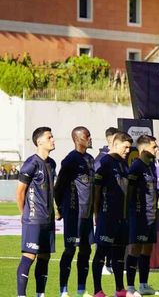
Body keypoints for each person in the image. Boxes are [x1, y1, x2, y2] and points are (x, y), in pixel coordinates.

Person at [54, 126, 95, 297]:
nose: (90, 138)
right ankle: (63, 290)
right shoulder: (70, 160)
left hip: (87, 214)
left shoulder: (90, 159)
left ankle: (81, 289)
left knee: (86, 250)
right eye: (87, 135)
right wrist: (60, 209)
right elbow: (58, 187)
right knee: (70, 250)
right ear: (78, 139)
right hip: (74, 214)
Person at [16, 127, 57, 297]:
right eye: (49, 137)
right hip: (33, 219)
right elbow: (20, 192)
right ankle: (21, 295)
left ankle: (40, 294)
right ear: (39, 141)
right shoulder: (31, 163)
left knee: (45, 257)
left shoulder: (52, 163)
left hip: (48, 219)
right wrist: (24, 214)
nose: (53, 139)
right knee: (29, 256)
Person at [92, 131, 133, 297]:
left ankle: (119, 289)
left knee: (119, 254)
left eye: (129, 148)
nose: (128, 150)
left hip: (122, 218)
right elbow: (97, 189)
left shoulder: (124, 163)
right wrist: (96, 213)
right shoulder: (105, 162)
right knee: (101, 252)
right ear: (116, 145)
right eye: (125, 147)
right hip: (107, 216)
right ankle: (97, 290)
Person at [125, 135, 159, 296]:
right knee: (135, 249)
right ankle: (131, 287)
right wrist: (129, 213)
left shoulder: (151, 166)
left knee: (147, 250)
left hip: (151, 214)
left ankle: (144, 285)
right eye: (154, 146)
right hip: (139, 215)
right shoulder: (136, 167)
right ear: (144, 148)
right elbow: (129, 192)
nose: (156, 149)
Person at [94, 126, 118, 276]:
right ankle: (102, 265)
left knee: (114, 237)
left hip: (115, 205)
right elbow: (97, 185)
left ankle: (109, 264)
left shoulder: (117, 159)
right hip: (104, 204)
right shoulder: (101, 159)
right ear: (110, 140)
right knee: (103, 235)